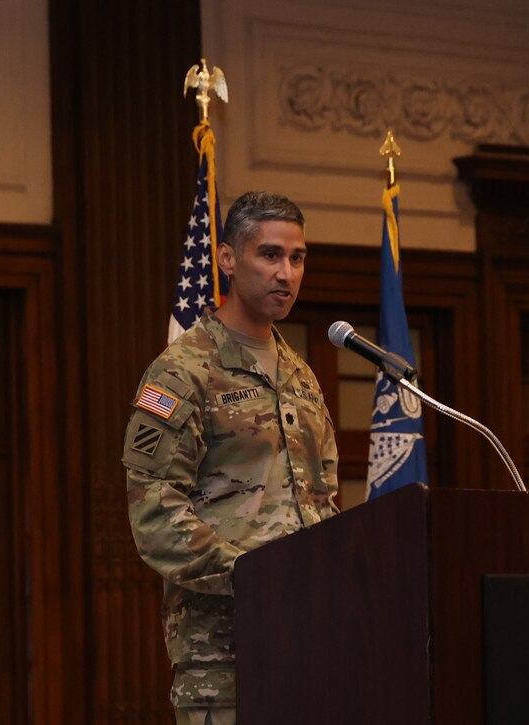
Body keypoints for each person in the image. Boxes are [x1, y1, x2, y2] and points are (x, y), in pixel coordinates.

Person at [122, 191, 339, 725]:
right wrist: (254, 576)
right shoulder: (182, 372)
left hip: (310, 640)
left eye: (297, 258)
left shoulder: (302, 375)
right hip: (221, 652)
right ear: (226, 259)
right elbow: (155, 511)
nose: (285, 273)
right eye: (269, 255)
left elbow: (325, 500)